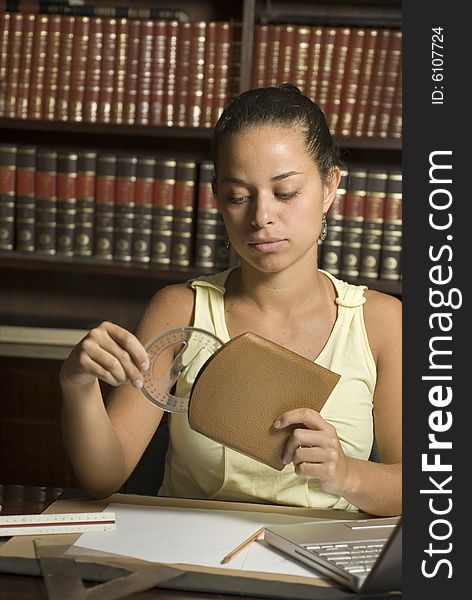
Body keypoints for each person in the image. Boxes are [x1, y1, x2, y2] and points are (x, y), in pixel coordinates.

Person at [60, 84, 402, 517]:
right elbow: (103, 477)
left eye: (286, 192)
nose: (261, 217)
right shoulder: (179, 309)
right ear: (217, 198)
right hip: (188, 558)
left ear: (330, 185)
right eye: (238, 196)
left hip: (320, 565)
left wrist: (346, 473)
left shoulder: (383, 323)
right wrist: (77, 385)